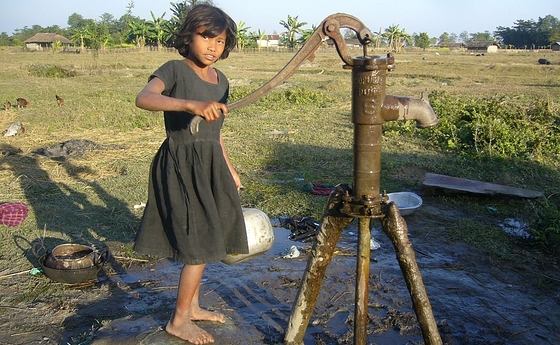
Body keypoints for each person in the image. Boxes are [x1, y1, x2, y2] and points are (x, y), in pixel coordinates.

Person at [133, 4, 249, 344]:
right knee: (198, 243)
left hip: (211, 164)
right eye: (206, 37)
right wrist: (188, 104)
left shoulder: (221, 80)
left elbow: (218, 132)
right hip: (182, 165)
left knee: (212, 236)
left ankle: (194, 306)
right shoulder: (174, 70)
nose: (212, 46)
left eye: (220, 40)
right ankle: (179, 321)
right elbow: (144, 98)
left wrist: (230, 169)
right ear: (189, 36)